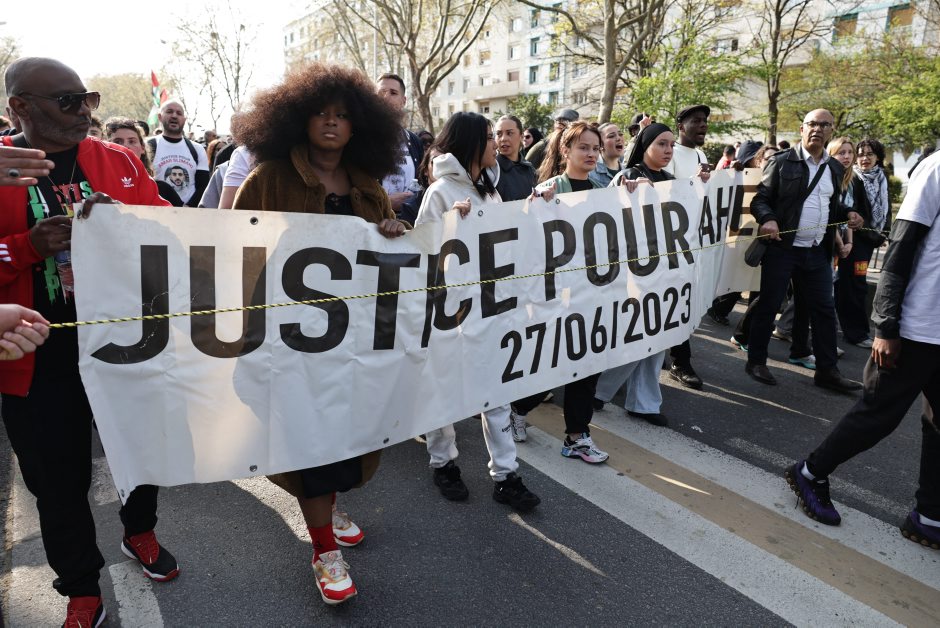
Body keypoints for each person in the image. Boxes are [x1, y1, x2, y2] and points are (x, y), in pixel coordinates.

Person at [1, 56, 178, 627]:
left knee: (140, 452)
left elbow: (171, 232)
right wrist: (28, 246)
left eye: (88, 99)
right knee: (57, 482)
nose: (83, 111)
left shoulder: (118, 160)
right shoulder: (2, 168)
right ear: (20, 107)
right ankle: (81, 588)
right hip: (36, 359)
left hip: (126, 344)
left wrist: (128, 224)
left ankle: (140, 531)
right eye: (67, 101)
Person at [232, 62, 408, 606]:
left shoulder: (368, 184)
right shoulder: (268, 178)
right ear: (298, 120)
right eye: (320, 113)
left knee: (344, 440)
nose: (331, 122)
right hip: (290, 343)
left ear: (359, 126)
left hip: (351, 342)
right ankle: (324, 549)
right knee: (308, 444)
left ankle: (329, 510)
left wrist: (392, 230)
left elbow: (388, 255)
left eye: (342, 115)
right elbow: (236, 251)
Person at [785, 150, 940, 549]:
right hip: (918, 326)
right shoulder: (937, 168)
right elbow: (901, 247)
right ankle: (811, 472)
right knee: (879, 414)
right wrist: (886, 324)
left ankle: (929, 515)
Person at [415, 111, 541, 509]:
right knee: (443, 389)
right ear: (471, 143)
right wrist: (451, 224)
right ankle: (443, 463)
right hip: (450, 315)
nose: (495, 144)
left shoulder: (490, 191)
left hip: (488, 309)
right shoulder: (439, 193)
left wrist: (537, 209)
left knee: (496, 392)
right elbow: (423, 250)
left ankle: (506, 474)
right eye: (488, 137)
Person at [745, 109, 863, 391]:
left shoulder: (834, 168)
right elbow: (760, 200)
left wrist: (848, 214)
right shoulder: (781, 161)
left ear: (831, 131)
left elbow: (830, 206)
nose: (817, 129)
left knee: (824, 310)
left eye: (824, 125)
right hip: (782, 249)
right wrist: (768, 219)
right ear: (802, 129)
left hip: (816, 252)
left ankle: (827, 371)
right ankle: (756, 361)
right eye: (812, 124)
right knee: (770, 305)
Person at [529, 121, 612, 462]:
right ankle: (517, 410)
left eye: (595, 148)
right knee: (550, 365)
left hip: (591, 294)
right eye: (583, 147)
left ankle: (577, 437)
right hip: (556, 297)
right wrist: (537, 205)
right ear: (565, 150)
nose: (591, 154)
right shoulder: (547, 190)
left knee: (588, 364)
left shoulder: (603, 190)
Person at [594, 123, 676, 427]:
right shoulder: (627, 176)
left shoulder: (672, 181)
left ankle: (644, 402)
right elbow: (605, 216)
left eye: (671, 145)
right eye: (662, 144)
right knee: (634, 336)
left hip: (663, 271)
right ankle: (600, 391)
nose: (668, 150)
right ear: (645, 146)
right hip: (632, 272)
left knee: (658, 336)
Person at [662, 105, 711, 390]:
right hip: (671, 241)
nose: (703, 125)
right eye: (696, 121)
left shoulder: (701, 156)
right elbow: (666, 190)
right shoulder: (672, 153)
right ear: (681, 126)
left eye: (705, 121)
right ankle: (680, 362)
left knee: (685, 300)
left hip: (692, 240)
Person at [836, 138, 892, 348]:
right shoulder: (852, 178)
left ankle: (855, 331)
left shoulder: (882, 178)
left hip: (869, 241)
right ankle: (856, 333)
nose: (864, 158)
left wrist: (882, 234)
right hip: (852, 239)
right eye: (860, 154)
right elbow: (852, 210)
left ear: (878, 157)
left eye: (869, 154)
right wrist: (869, 232)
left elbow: (886, 210)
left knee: (854, 284)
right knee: (852, 285)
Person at [104, 117, 185, 206]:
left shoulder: (162, 189)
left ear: (142, 148)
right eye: (117, 142)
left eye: (132, 141)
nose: (125, 146)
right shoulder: (98, 185)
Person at [375, 72, 425, 215]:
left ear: (403, 101)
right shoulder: (361, 138)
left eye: (393, 93)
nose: (386, 97)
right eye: (382, 92)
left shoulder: (414, 141)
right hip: (374, 222)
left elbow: (423, 183)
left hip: (408, 222)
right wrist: (387, 203)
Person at [149, 99, 210, 207]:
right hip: (157, 210)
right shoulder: (149, 146)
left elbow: (203, 185)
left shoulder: (197, 149)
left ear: (184, 119)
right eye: (169, 111)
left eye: (179, 113)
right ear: (160, 117)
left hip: (189, 212)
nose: (174, 116)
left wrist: (188, 208)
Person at [494, 114, 537, 201]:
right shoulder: (492, 169)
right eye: (499, 134)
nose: (503, 138)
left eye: (509, 133)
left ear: (521, 136)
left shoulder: (529, 169)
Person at [589, 122, 624, 187]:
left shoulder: (628, 171)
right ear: (600, 144)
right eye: (611, 136)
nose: (618, 138)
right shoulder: (590, 172)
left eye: (620, 134)